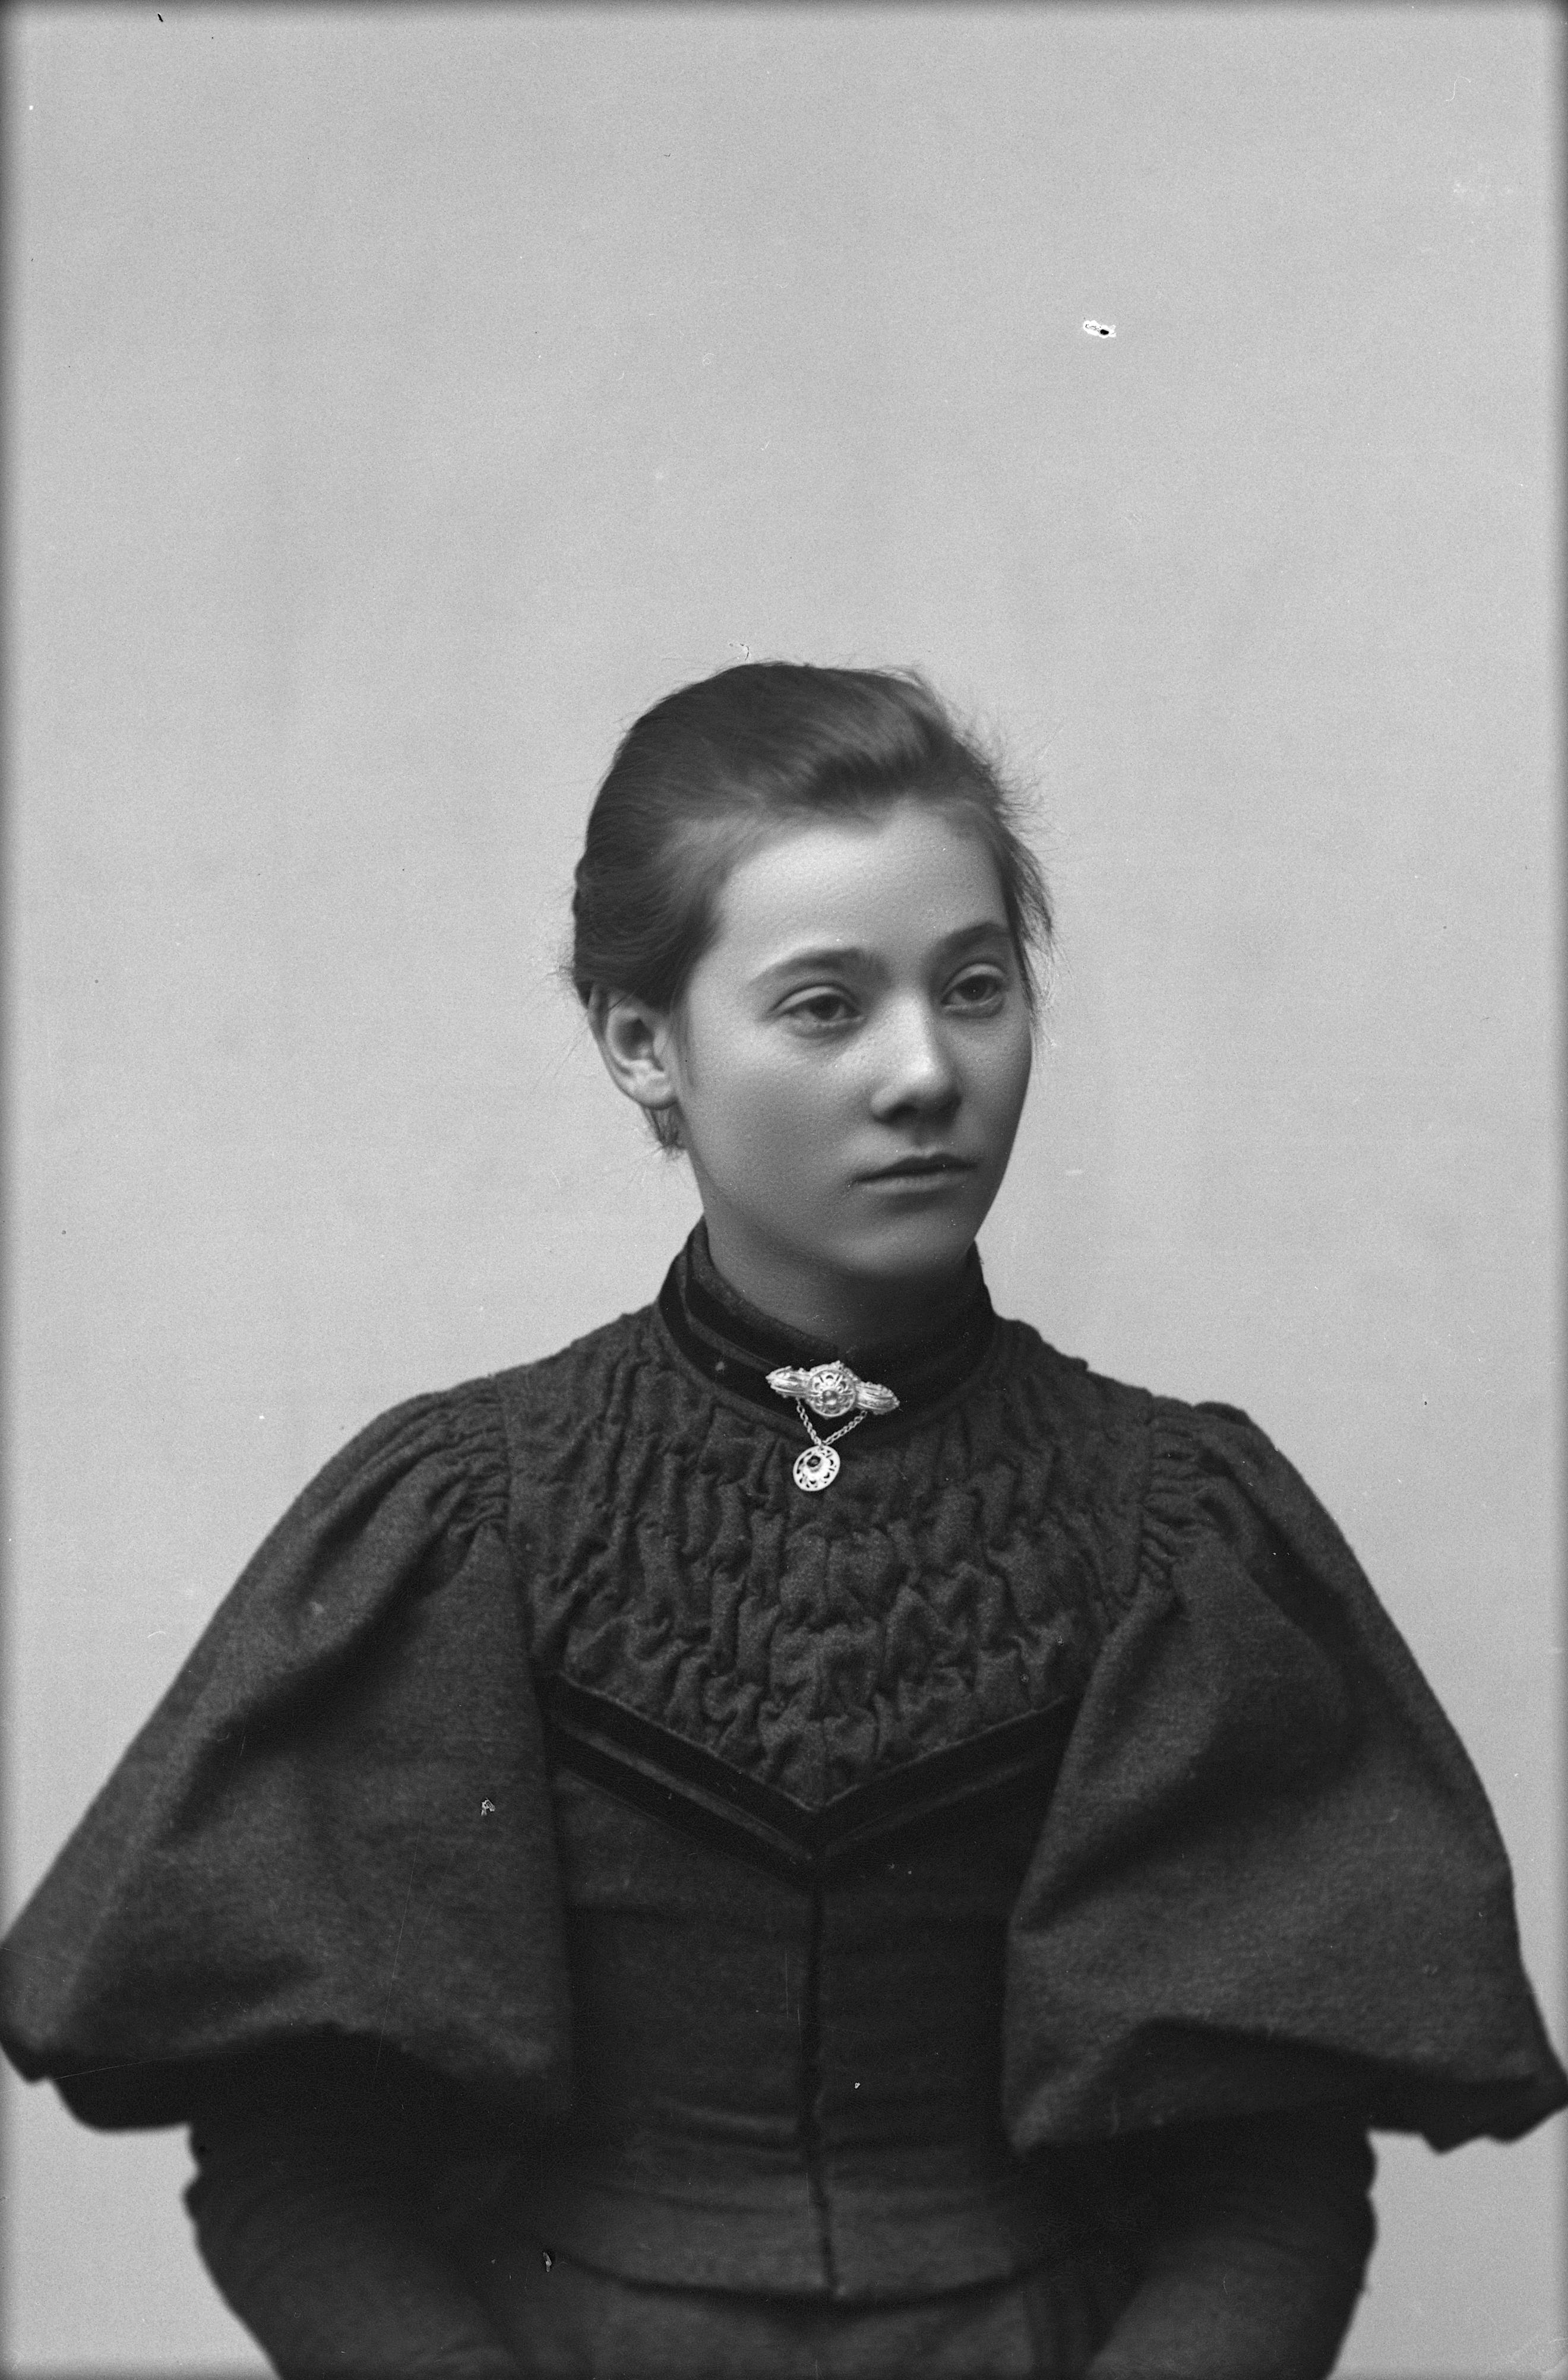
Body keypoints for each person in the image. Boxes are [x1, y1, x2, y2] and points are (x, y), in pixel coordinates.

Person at [2, 663, 1563, 2380]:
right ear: (642, 1043)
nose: (927, 1072)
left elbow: (1270, 2189)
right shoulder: (471, 1517)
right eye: (826, 1007)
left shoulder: (1172, 1529)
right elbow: (293, 2163)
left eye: (975, 988)